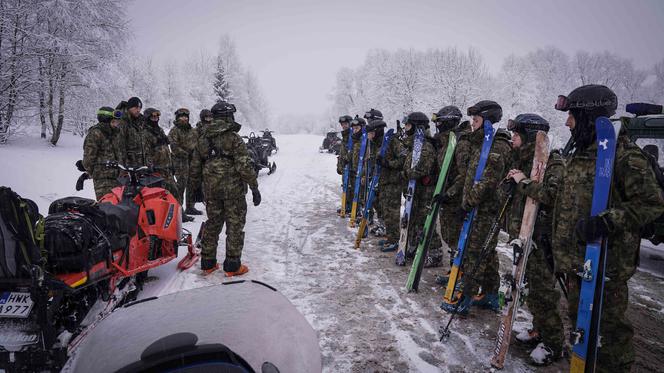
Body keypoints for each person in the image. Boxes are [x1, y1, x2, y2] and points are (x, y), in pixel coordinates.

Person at [547, 84, 664, 372]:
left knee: (609, 341)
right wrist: (553, 244)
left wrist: (607, 221)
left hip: (606, 267)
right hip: (577, 263)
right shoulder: (579, 153)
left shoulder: (625, 156)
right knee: (581, 330)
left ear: (589, 117)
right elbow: (567, 201)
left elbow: (652, 203)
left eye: (572, 115)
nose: (567, 122)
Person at [440, 100, 512, 315]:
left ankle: (464, 299)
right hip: (474, 207)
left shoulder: (497, 146)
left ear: (487, 121)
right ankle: (490, 294)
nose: (472, 123)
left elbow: (487, 183)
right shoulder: (481, 144)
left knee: (474, 254)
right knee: (486, 254)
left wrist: (467, 203)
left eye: (476, 119)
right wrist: (455, 196)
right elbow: (469, 177)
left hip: (485, 211)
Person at [504, 113, 564, 365]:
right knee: (528, 287)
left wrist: (523, 182)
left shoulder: (552, 162)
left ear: (530, 137)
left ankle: (554, 343)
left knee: (543, 291)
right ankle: (539, 328)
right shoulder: (523, 160)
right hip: (525, 236)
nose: (513, 139)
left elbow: (551, 195)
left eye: (517, 135)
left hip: (543, 240)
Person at [189, 101, 261, 276]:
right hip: (234, 191)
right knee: (234, 226)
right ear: (228, 116)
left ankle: (207, 263)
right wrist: (254, 187)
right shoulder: (234, 138)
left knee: (213, 224)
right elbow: (244, 166)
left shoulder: (203, 138)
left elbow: (195, 166)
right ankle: (232, 265)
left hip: (211, 191)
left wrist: (195, 188)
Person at [431, 106, 471, 269]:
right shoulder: (445, 142)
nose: (437, 126)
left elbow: (464, 174)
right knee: (448, 235)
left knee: (456, 236)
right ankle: (455, 269)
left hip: (455, 199)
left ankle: (460, 272)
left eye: (440, 122)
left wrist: (449, 194)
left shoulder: (460, 143)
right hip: (446, 198)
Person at [400, 112, 441, 261]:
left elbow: (419, 170)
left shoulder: (426, 147)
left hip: (425, 193)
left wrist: (405, 173)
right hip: (414, 192)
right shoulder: (413, 146)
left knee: (425, 221)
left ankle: (435, 252)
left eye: (409, 125)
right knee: (414, 220)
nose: (406, 128)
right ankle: (415, 245)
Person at [82, 107, 123, 199]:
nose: (116, 124)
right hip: (103, 181)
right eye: (113, 122)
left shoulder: (115, 134)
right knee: (107, 207)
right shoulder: (96, 133)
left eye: (116, 122)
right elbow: (88, 160)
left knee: (119, 209)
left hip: (117, 178)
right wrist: (95, 173)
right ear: (106, 121)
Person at [168, 108, 201, 216]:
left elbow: (198, 143)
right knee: (180, 186)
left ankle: (190, 207)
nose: (184, 119)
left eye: (186, 117)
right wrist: (186, 153)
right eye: (182, 117)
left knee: (192, 184)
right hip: (180, 162)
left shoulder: (192, 131)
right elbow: (173, 146)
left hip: (192, 161)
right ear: (178, 118)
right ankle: (179, 210)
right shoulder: (174, 130)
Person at [364, 109, 385, 234]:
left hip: (384, 178)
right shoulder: (371, 142)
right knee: (375, 201)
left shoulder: (384, 141)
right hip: (374, 174)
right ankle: (379, 222)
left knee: (383, 203)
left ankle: (384, 225)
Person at [336, 115, 353, 215]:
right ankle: (346, 205)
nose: (344, 126)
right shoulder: (345, 136)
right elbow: (342, 152)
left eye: (346, 124)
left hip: (352, 166)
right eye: (342, 124)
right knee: (346, 185)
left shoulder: (352, 135)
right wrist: (339, 165)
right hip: (345, 165)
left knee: (351, 186)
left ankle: (354, 207)